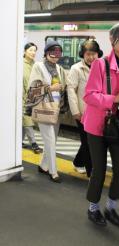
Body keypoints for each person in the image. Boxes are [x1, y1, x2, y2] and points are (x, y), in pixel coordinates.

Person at [82, 22, 119, 226]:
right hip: (98, 125)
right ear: (113, 40)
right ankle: (93, 208)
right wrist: (114, 98)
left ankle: (111, 208)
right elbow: (89, 95)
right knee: (99, 169)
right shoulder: (101, 64)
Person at [28, 40, 67, 183]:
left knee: (53, 140)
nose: (55, 56)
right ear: (46, 53)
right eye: (52, 52)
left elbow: (64, 86)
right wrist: (51, 88)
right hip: (44, 108)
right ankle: (53, 171)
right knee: (50, 140)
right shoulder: (38, 66)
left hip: (56, 108)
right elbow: (32, 90)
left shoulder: (60, 68)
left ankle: (43, 166)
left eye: (58, 53)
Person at [67, 40, 103, 176]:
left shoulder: (101, 66)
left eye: (94, 54)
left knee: (89, 142)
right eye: (88, 54)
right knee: (88, 142)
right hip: (82, 112)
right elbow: (71, 90)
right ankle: (90, 172)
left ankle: (78, 162)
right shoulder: (76, 68)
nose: (91, 57)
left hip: (97, 111)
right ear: (83, 54)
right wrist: (75, 111)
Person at [22, 42, 42, 154]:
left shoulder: (36, 65)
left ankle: (18, 141)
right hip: (23, 98)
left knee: (23, 122)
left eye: (34, 50)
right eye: (30, 50)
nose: (33, 53)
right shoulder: (20, 64)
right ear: (25, 51)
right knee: (27, 121)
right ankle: (34, 143)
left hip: (33, 98)